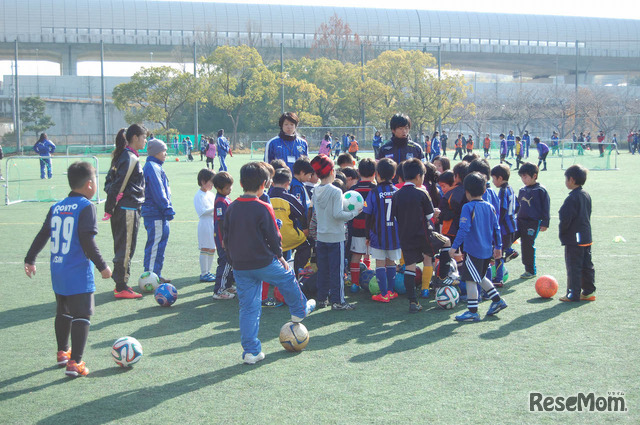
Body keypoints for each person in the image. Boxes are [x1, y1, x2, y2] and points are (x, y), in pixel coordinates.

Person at [24, 162, 112, 377]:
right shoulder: (86, 206)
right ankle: (76, 363)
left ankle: (63, 353)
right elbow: (86, 241)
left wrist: (30, 258)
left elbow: (43, 234)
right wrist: (103, 267)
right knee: (82, 314)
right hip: (78, 272)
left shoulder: (57, 206)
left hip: (58, 270)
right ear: (90, 184)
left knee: (63, 312)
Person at [223, 162, 315, 364]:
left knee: (248, 309)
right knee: (288, 277)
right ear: (265, 184)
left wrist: (232, 260)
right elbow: (274, 236)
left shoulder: (231, 207)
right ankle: (299, 311)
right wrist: (280, 255)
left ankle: (251, 352)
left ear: (240, 183)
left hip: (241, 266)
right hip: (264, 262)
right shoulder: (264, 206)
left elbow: (225, 238)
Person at [392, 158, 451, 312]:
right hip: (424, 234)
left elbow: (392, 217)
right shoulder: (421, 192)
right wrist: (436, 212)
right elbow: (430, 215)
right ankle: (442, 278)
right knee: (446, 242)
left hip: (405, 236)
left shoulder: (396, 195)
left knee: (410, 267)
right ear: (419, 176)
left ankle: (413, 302)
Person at [450, 172, 507, 322]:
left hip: (473, 251)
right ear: (484, 190)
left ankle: (472, 311)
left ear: (466, 192)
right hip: (487, 250)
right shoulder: (490, 207)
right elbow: (497, 228)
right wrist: (498, 247)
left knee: (470, 280)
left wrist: (454, 247)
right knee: (480, 277)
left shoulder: (467, 207)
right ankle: (497, 301)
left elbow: (463, 229)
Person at [311, 154, 362, 310]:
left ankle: (322, 298)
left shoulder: (315, 190)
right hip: (335, 236)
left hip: (321, 236)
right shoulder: (335, 191)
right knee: (337, 270)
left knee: (323, 270)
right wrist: (354, 213)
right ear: (332, 171)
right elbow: (338, 215)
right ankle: (338, 301)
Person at [103, 124, 146, 299]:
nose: (145, 140)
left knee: (124, 246)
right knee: (126, 248)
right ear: (135, 137)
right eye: (144, 137)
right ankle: (121, 286)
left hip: (125, 208)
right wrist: (111, 205)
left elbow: (109, 182)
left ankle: (120, 282)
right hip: (127, 210)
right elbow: (116, 185)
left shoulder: (123, 156)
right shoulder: (129, 158)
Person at [363, 158, 401, 303]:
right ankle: (391, 291)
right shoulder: (397, 192)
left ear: (377, 174)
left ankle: (383, 294)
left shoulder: (373, 192)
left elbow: (368, 215)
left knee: (379, 262)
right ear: (394, 175)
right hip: (394, 235)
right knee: (391, 261)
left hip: (378, 235)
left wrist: (367, 235)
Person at [558, 164, 595, 302]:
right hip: (586, 236)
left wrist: (563, 233)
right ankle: (588, 292)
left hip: (575, 239)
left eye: (566, 179)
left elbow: (565, 218)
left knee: (574, 266)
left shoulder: (572, 198)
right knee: (587, 265)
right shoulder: (586, 194)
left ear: (572, 180)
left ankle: (573, 294)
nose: (566, 182)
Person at [141, 138, 175, 284]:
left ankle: (156, 274)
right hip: (155, 213)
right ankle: (149, 277)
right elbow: (158, 190)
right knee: (155, 245)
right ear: (156, 152)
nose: (165, 153)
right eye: (163, 151)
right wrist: (166, 208)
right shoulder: (152, 166)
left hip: (158, 213)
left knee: (160, 245)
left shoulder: (156, 166)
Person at [269, 167, 311, 276]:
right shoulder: (289, 198)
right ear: (288, 183)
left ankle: (275, 273)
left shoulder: (266, 198)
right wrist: (305, 228)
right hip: (289, 237)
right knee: (306, 246)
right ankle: (297, 270)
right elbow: (301, 213)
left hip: (270, 240)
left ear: (272, 183)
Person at [516, 162, 550, 279]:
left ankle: (530, 270)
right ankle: (508, 253)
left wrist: (545, 222)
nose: (523, 179)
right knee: (508, 236)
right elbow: (517, 205)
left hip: (532, 223)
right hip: (519, 221)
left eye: (525, 177)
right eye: (521, 177)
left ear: (534, 176)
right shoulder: (522, 190)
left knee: (527, 245)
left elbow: (546, 207)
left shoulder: (540, 190)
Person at [347, 158, 376, 292]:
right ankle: (372, 273)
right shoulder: (376, 189)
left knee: (356, 254)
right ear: (375, 173)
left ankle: (354, 284)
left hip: (357, 228)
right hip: (374, 229)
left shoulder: (353, 189)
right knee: (378, 255)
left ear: (358, 172)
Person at [490, 164, 518, 287]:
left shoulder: (502, 191)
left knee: (498, 253)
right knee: (503, 247)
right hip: (512, 225)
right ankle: (511, 251)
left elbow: (502, 209)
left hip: (504, 228)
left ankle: (499, 278)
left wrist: (497, 222)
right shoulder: (511, 189)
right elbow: (517, 206)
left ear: (500, 178)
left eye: (494, 179)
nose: (493, 181)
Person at [213, 171, 236, 299]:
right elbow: (221, 222)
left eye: (230, 186)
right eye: (227, 188)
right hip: (223, 238)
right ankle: (219, 290)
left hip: (229, 237)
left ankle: (227, 285)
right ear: (218, 188)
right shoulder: (220, 201)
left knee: (230, 262)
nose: (230, 189)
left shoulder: (226, 198)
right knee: (225, 262)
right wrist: (224, 240)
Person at [194, 168, 217, 283]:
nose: (212, 184)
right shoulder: (199, 195)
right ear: (203, 181)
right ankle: (204, 273)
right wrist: (217, 207)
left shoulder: (211, 194)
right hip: (205, 224)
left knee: (212, 248)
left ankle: (208, 271)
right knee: (205, 248)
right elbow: (202, 211)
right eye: (211, 182)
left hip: (213, 223)